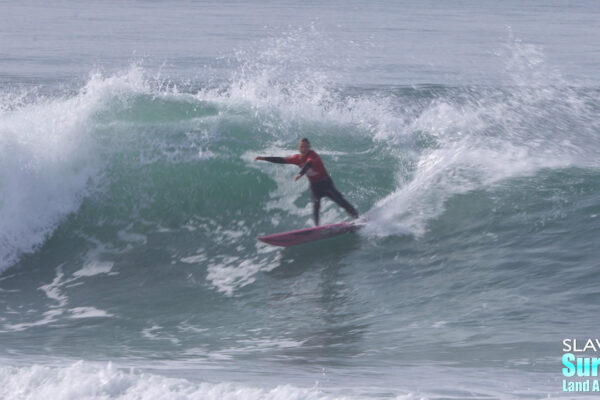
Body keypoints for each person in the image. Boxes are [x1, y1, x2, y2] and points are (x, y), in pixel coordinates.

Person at [255, 138, 359, 226]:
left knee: (340, 201)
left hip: (326, 183)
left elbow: (308, 164)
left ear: (309, 147)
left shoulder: (312, 155)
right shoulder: (297, 158)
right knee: (316, 206)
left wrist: (301, 173)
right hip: (314, 186)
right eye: (302, 147)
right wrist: (264, 158)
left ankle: (357, 218)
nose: (304, 149)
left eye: (306, 146)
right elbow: (282, 160)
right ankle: (317, 228)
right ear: (298, 148)